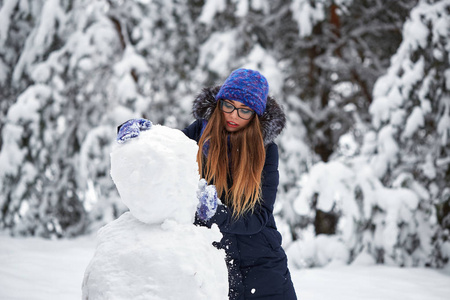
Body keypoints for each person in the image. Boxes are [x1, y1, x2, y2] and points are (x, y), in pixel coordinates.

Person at [117, 68, 297, 300]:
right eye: (229, 105)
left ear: (256, 115)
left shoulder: (266, 150)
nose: (233, 116)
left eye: (244, 110)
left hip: (263, 267)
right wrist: (142, 136)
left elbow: (259, 217)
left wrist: (216, 214)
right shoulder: (198, 133)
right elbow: (165, 150)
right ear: (219, 103)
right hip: (212, 264)